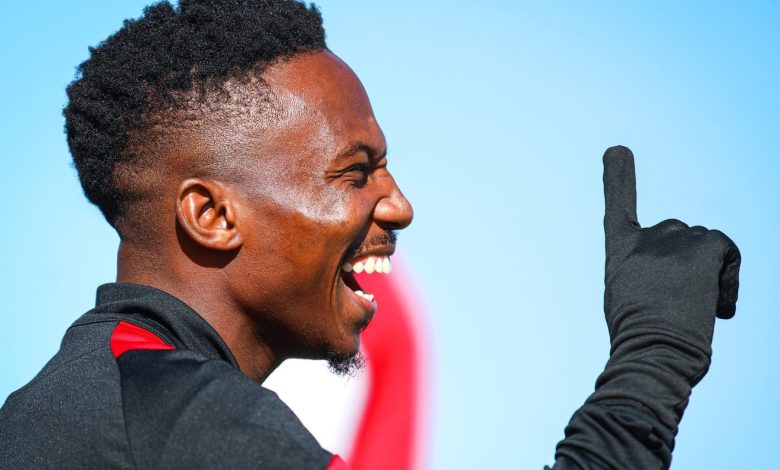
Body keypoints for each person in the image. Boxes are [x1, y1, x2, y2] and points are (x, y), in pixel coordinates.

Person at [0, 1, 740, 469]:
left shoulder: (84, 398)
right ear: (213, 216)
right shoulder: (184, 414)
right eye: (356, 173)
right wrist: (657, 354)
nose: (400, 207)